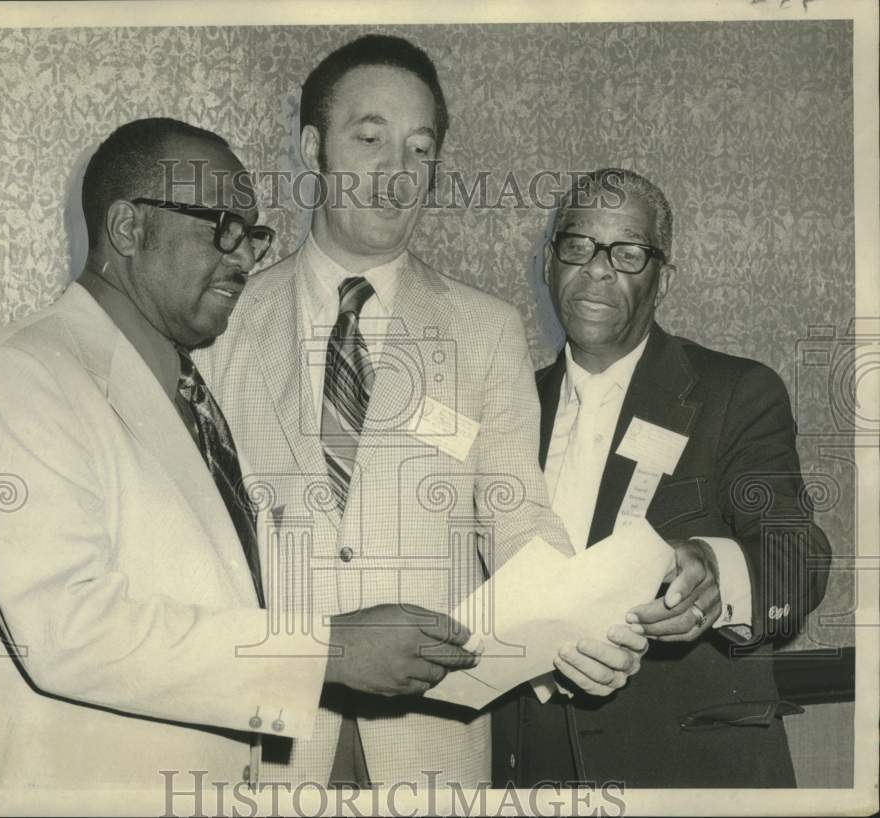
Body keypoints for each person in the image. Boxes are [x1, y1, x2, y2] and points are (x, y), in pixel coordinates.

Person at [0, 117, 478, 789]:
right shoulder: (21, 376)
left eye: (252, 235)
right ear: (128, 229)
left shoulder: (193, 393)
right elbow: (65, 630)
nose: (245, 259)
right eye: (222, 228)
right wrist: (329, 650)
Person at [194, 37, 648, 789]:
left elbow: (516, 516)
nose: (395, 173)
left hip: (430, 744)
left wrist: (577, 620)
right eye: (369, 140)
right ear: (315, 147)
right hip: (260, 738)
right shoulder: (227, 317)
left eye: (419, 149)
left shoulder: (485, 328)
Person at [492, 168, 832, 788]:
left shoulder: (735, 393)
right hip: (530, 770)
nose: (598, 269)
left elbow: (796, 556)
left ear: (663, 278)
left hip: (688, 772)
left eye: (628, 251)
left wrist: (716, 568)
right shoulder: (509, 405)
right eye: (579, 245)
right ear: (549, 262)